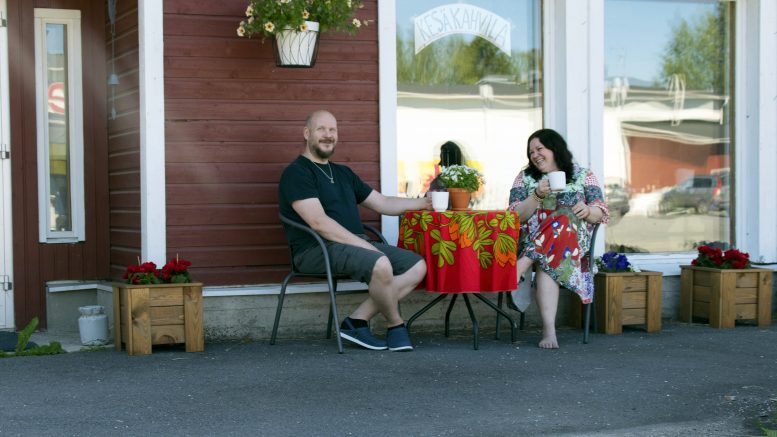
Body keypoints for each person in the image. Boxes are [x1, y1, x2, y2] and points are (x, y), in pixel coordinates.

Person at [278, 110, 431, 352]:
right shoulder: (297, 173)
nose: (328, 135)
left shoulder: (343, 173)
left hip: (352, 244)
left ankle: (356, 321)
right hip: (316, 249)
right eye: (321, 129)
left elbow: (383, 204)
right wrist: (366, 247)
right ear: (307, 134)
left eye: (333, 130)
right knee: (380, 263)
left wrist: (424, 203)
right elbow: (318, 222)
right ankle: (396, 325)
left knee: (417, 266)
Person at [507, 128, 609, 349]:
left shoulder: (583, 175)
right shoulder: (524, 178)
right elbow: (514, 216)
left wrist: (587, 210)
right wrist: (536, 195)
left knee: (565, 216)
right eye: (531, 151)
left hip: (573, 244)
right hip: (539, 242)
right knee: (548, 259)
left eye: (539, 149)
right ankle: (549, 331)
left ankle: (523, 263)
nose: (535, 155)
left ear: (555, 149)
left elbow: (601, 211)